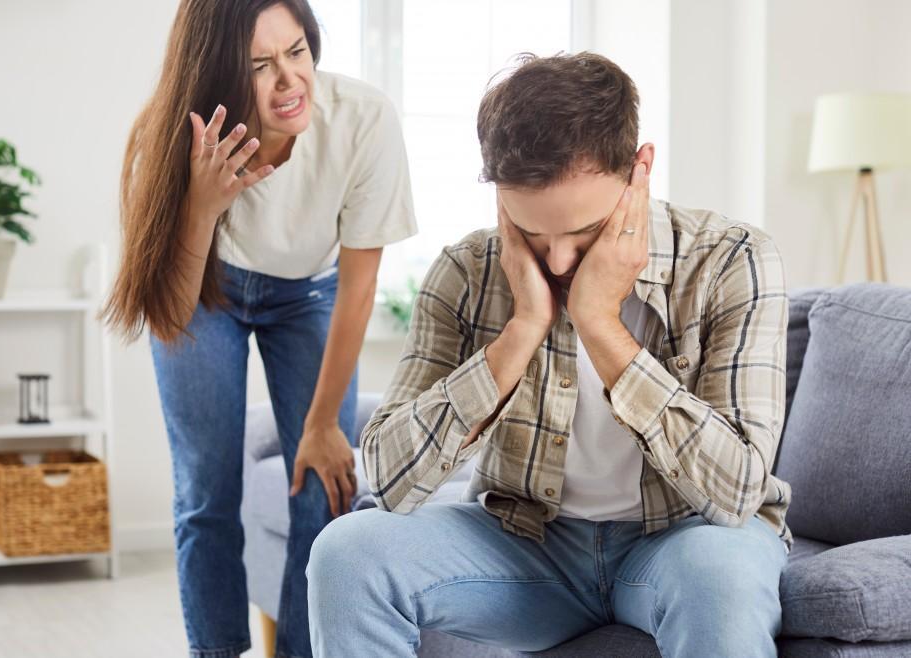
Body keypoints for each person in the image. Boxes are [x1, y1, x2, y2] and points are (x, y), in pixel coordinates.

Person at [307, 52, 791, 657]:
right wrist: (522, 329)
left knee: (721, 578)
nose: (559, 262)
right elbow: (390, 479)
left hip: (682, 541)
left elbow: (739, 491)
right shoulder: (465, 271)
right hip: (526, 549)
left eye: (583, 233)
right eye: (532, 234)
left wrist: (599, 323)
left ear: (640, 171)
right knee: (346, 553)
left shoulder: (731, 260)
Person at [102, 1, 416, 656]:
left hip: (313, 292)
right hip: (206, 291)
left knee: (322, 488)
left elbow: (359, 290)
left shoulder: (362, 120)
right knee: (205, 498)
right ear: (216, 71)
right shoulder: (163, 141)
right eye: (260, 66)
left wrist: (326, 424)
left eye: (297, 51)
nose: (289, 81)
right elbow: (173, 315)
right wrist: (201, 205)